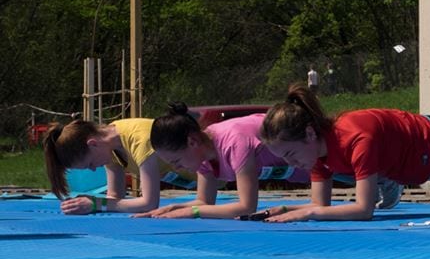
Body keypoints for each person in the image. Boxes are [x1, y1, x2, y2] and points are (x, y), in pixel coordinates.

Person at [256, 84, 430, 222]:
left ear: (309, 133)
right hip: (417, 156)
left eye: (290, 154)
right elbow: (319, 203)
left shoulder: (356, 137)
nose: (292, 164)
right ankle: (383, 179)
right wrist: (286, 209)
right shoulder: (316, 151)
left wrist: (306, 214)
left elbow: (363, 210)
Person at [135, 104, 309, 220]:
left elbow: (246, 207)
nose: (176, 167)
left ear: (192, 142)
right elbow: (204, 202)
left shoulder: (234, 142)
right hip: (308, 172)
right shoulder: (202, 155)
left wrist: (192, 212)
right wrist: (172, 208)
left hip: (320, 161)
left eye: (176, 160)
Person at [42, 118, 190, 214]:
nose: (94, 169)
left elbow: (149, 204)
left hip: (208, 172)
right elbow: (114, 197)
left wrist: (96, 204)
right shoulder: (109, 147)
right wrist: (85, 204)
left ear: (93, 144)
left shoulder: (139, 140)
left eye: (90, 164)